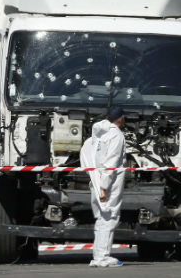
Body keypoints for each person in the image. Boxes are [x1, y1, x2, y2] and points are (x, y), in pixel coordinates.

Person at [80, 106, 126, 267]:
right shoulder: (116, 135)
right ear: (120, 118)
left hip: (96, 179)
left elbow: (85, 154)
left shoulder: (97, 135)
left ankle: (99, 255)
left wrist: (97, 180)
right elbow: (112, 162)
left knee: (101, 218)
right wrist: (104, 187)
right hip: (109, 184)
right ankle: (102, 258)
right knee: (109, 217)